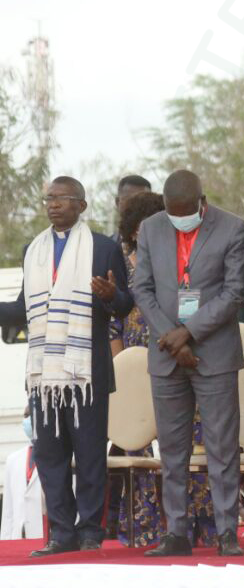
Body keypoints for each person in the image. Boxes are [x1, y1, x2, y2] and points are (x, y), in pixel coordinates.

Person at [0, 177, 133, 556]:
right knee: (50, 455)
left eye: (61, 199)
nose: (53, 205)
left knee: (90, 455)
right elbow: (23, 309)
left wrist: (111, 297)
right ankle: (61, 531)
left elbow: (124, 304)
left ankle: (90, 530)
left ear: (82, 205)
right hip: (44, 376)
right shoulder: (33, 249)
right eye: (49, 199)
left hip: (85, 372)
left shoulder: (103, 248)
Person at [131, 170, 244, 557]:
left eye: (185, 211)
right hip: (166, 355)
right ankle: (176, 532)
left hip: (212, 354)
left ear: (203, 201)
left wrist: (190, 333)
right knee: (173, 449)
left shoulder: (232, 228)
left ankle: (227, 531)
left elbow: (233, 292)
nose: (178, 218)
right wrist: (171, 336)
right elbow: (141, 289)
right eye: (171, 211)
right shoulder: (150, 228)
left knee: (221, 446)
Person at [107, 190, 167, 547]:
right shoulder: (121, 264)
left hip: (174, 355)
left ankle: (188, 524)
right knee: (137, 446)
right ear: (131, 231)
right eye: (143, 228)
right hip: (133, 360)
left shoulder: (177, 260)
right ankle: (144, 526)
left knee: (181, 443)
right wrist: (122, 375)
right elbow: (114, 322)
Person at [0, 408, 42, 540]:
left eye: (32, 415)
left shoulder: (60, 457)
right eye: (25, 415)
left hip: (44, 535)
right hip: (17, 536)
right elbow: (8, 510)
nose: (28, 419)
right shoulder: (13, 459)